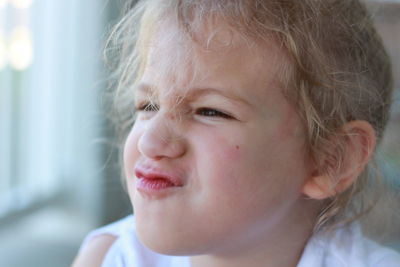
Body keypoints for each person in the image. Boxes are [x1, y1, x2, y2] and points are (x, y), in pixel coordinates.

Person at [72, 0, 400, 266]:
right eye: (148, 105)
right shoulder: (109, 258)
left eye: (210, 111)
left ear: (330, 160)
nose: (150, 141)